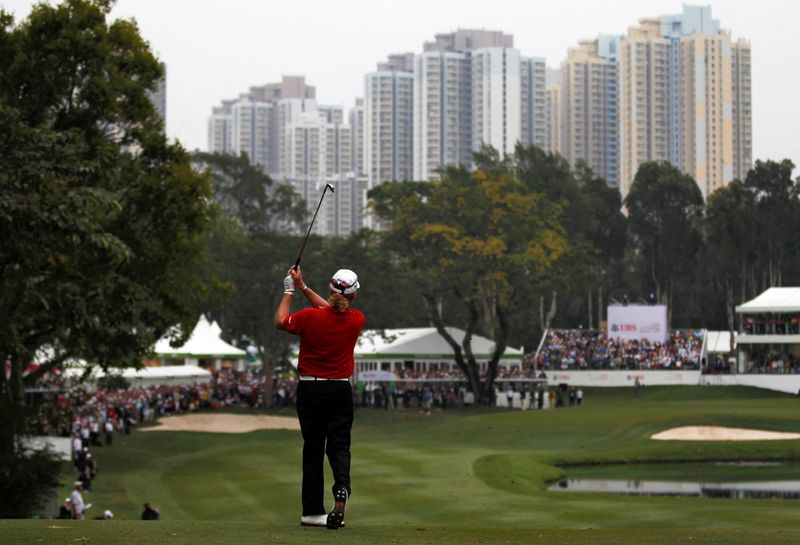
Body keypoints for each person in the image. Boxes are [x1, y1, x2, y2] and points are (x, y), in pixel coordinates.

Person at [274, 266, 365, 530]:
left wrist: (289, 291)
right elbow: (332, 309)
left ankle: (313, 512)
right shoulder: (356, 319)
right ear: (354, 296)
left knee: (313, 449)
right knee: (339, 446)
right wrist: (303, 286)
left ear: (331, 288)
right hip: (339, 390)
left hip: (310, 389)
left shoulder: (308, 317)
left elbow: (280, 321)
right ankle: (342, 487)